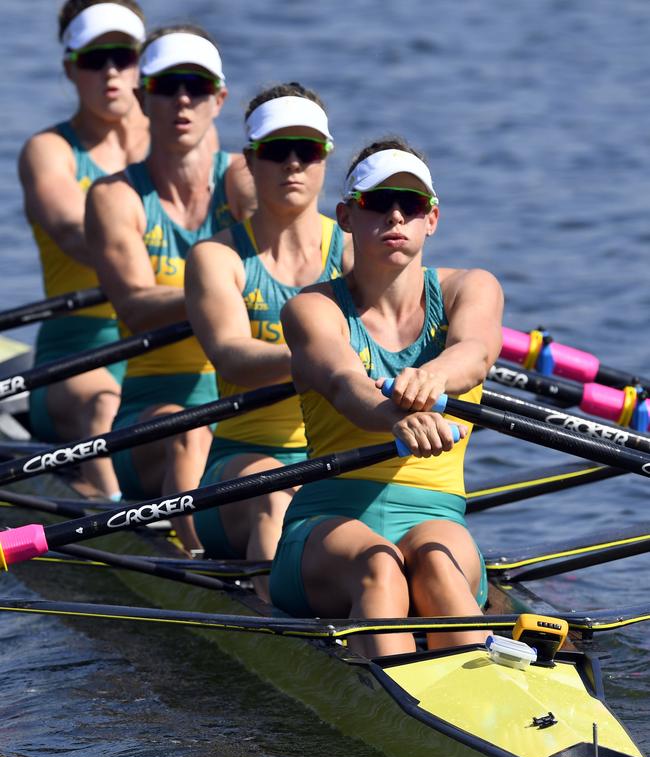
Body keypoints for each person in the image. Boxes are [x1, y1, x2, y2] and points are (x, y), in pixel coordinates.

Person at [270, 139, 503, 657]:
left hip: (438, 520)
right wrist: (391, 418)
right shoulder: (311, 308)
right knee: (379, 566)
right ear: (347, 217)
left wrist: (431, 377)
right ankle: (403, 709)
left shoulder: (472, 287)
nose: (395, 216)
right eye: (378, 204)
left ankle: (487, 705)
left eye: (411, 205)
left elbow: (476, 352)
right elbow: (342, 382)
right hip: (328, 523)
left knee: (439, 567)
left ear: (432, 219)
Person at [85, 23, 256, 551]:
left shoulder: (247, 178)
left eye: (198, 87)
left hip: (252, 401)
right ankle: (203, 564)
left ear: (219, 99)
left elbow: (289, 264)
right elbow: (136, 306)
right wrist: (220, 295)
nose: (183, 100)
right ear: (142, 97)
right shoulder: (116, 196)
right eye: (167, 86)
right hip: (153, 412)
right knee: (189, 429)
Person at [185, 83, 351, 593]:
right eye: (278, 151)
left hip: (338, 454)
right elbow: (232, 356)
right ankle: (283, 632)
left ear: (326, 159)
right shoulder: (217, 257)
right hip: (242, 463)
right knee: (275, 498)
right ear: (252, 162)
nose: (294, 164)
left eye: (309, 151)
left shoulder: (352, 252)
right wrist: (317, 359)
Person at [18, 0, 149, 499]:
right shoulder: (49, 151)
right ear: (71, 68)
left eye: (125, 55)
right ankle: (120, 518)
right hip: (78, 352)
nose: (112, 72)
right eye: (96, 60)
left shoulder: (180, 144)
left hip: (173, 340)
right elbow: (76, 235)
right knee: (104, 406)